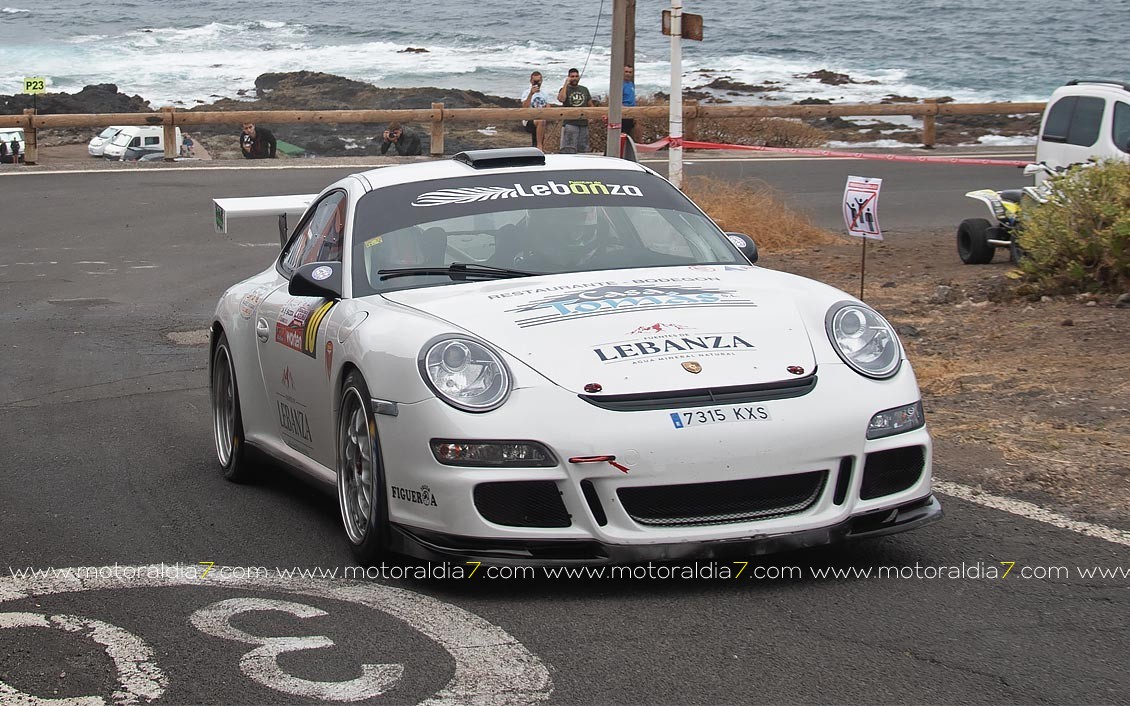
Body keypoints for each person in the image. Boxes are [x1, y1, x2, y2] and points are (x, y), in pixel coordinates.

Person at [557, 67, 596, 153]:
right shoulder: (565, 89)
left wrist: (591, 116)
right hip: (570, 123)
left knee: (583, 149)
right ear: (569, 77)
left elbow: (590, 104)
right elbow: (561, 99)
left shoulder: (584, 89)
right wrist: (565, 84)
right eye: (572, 76)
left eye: (576, 76)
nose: (574, 78)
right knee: (568, 149)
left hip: (583, 124)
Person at [520, 71, 549, 151]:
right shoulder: (526, 92)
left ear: (541, 81)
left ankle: (538, 146)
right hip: (529, 120)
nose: (537, 83)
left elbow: (548, 107)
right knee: (541, 121)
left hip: (540, 118)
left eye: (538, 81)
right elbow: (524, 107)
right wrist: (531, 94)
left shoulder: (544, 93)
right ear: (531, 81)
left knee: (541, 121)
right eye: (535, 81)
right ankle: (539, 146)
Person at [621, 65, 639, 142]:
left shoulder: (631, 84)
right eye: (626, 72)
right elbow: (617, 100)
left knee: (628, 136)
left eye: (630, 72)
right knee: (621, 136)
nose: (628, 74)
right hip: (623, 115)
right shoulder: (620, 84)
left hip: (631, 114)